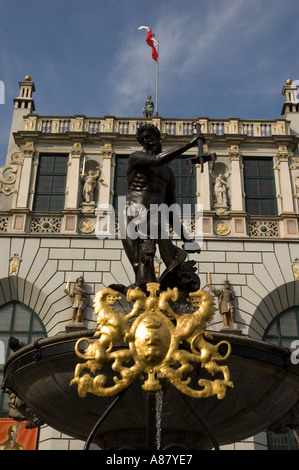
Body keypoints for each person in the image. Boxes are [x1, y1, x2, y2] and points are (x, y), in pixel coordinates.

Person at [120, 124, 202, 292]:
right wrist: (189, 145)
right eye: (145, 139)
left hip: (154, 218)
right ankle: (173, 274)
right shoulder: (135, 158)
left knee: (148, 279)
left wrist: (187, 239)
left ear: (158, 139)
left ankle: (173, 278)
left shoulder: (168, 174)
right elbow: (158, 159)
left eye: (151, 137)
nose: (149, 142)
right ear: (141, 142)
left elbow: (171, 210)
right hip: (132, 214)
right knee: (140, 269)